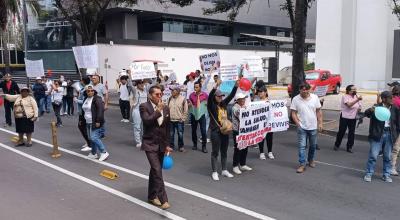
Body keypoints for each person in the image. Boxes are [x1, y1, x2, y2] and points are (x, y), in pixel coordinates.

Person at [140, 85, 172, 210]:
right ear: (150, 95)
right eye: (157, 94)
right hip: (149, 144)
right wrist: (158, 110)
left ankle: (151, 196)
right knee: (157, 170)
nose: (160, 96)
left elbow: (168, 128)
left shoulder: (166, 108)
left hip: (161, 144)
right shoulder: (144, 106)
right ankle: (163, 199)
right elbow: (147, 121)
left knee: (155, 170)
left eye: (161, 94)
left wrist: (168, 144)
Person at [363, 91, 399, 183]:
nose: (392, 100)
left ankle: (386, 175)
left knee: (387, 156)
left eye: (392, 97)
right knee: (373, 155)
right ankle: (369, 173)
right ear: (383, 99)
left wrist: (395, 135)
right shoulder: (377, 107)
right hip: (377, 134)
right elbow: (366, 114)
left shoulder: (395, 108)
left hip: (390, 134)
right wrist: (370, 110)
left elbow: (398, 122)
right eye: (390, 98)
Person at [208, 79, 238, 181]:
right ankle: (214, 172)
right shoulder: (211, 105)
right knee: (215, 152)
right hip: (215, 131)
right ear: (215, 97)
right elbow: (209, 97)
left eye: (221, 96)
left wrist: (236, 86)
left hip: (225, 131)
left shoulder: (223, 104)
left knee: (224, 151)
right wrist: (216, 85)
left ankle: (224, 170)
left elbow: (231, 95)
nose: (221, 98)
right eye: (219, 96)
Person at [290, 83, 323, 174]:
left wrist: (320, 123)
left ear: (309, 90)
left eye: (306, 90)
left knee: (312, 146)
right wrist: (298, 123)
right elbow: (293, 113)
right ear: (299, 90)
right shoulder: (296, 99)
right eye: (302, 89)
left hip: (313, 127)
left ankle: (311, 160)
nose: (304, 91)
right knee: (302, 146)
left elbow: (318, 111)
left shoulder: (315, 97)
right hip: (302, 127)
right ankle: (302, 164)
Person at [81, 85, 109, 161]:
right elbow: (84, 110)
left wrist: (98, 121)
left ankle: (104, 152)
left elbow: (100, 110)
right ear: (86, 92)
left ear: (94, 91)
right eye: (88, 91)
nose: (90, 92)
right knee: (91, 138)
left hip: (95, 122)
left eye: (92, 91)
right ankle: (94, 153)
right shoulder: (86, 99)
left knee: (94, 137)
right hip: (88, 122)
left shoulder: (97, 99)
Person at [334, 85, 362, 153]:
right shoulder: (345, 96)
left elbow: (359, 106)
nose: (355, 90)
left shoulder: (356, 96)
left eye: (355, 89)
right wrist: (357, 100)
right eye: (353, 89)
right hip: (345, 117)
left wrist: (359, 109)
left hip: (353, 117)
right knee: (341, 131)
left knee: (351, 132)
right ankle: (337, 145)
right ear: (349, 90)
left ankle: (349, 147)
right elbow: (349, 105)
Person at [232, 92, 252, 175]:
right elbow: (240, 115)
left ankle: (242, 164)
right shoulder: (235, 108)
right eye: (242, 99)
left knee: (245, 147)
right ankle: (235, 166)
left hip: (245, 131)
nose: (244, 100)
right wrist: (244, 109)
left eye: (244, 98)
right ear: (238, 100)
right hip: (237, 131)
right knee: (238, 148)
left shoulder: (243, 107)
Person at [188, 81, 209, 153]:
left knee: (203, 131)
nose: (195, 88)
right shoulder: (191, 95)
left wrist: (206, 104)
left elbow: (208, 103)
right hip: (194, 115)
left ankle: (204, 146)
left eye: (197, 87)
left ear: (200, 87)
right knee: (194, 130)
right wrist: (189, 104)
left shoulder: (205, 95)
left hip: (202, 115)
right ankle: (195, 144)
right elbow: (189, 103)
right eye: (194, 87)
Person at [256, 86, 275, 160]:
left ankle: (270, 152)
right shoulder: (256, 101)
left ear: (265, 92)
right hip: (260, 122)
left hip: (269, 122)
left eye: (261, 91)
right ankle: (261, 153)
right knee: (261, 137)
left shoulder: (270, 101)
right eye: (259, 92)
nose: (259, 93)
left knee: (269, 138)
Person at [168, 86, 188, 152]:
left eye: (173, 90)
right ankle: (171, 146)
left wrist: (183, 119)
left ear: (178, 91)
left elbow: (186, 110)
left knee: (180, 134)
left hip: (179, 120)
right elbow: (168, 108)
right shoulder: (170, 98)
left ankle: (181, 146)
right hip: (171, 120)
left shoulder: (183, 99)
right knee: (171, 134)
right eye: (171, 90)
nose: (171, 92)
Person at [131, 79, 149, 147]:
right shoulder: (135, 90)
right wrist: (129, 74)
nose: (142, 85)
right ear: (137, 84)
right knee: (137, 127)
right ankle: (138, 142)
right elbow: (130, 84)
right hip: (137, 110)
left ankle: (145, 140)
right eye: (140, 83)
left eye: (143, 83)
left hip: (145, 111)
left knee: (145, 127)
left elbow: (153, 83)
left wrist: (155, 73)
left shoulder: (145, 90)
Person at [77, 76, 92, 152]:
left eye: (81, 80)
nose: (80, 82)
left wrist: (76, 100)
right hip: (82, 111)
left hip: (83, 111)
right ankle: (88, 142)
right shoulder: (83, 89)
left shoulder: (86, 89)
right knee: (84, 127)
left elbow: (84, 101)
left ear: (83, 81)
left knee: (81, 127)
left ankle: (89, 143)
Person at [391, 86, 400, 175]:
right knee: (396, 149)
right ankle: (392, 167)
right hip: (396, 128)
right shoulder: (396, 101)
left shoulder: (393, 100)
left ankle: (392, 166)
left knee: (396, 149)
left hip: (395, 128)